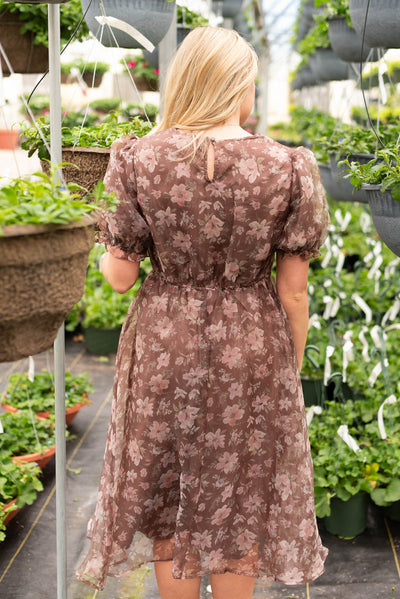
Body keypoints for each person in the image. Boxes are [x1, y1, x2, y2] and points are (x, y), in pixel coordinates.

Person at [76, 26, 329, 599]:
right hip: (252, 345)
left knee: (169, 492)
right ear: (240, 84)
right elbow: (293, 292)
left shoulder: (137, 159)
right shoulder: (286, 166)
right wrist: (287, 364)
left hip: (164, 341)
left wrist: (98, 244)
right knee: (239, 495)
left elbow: (118, 280)